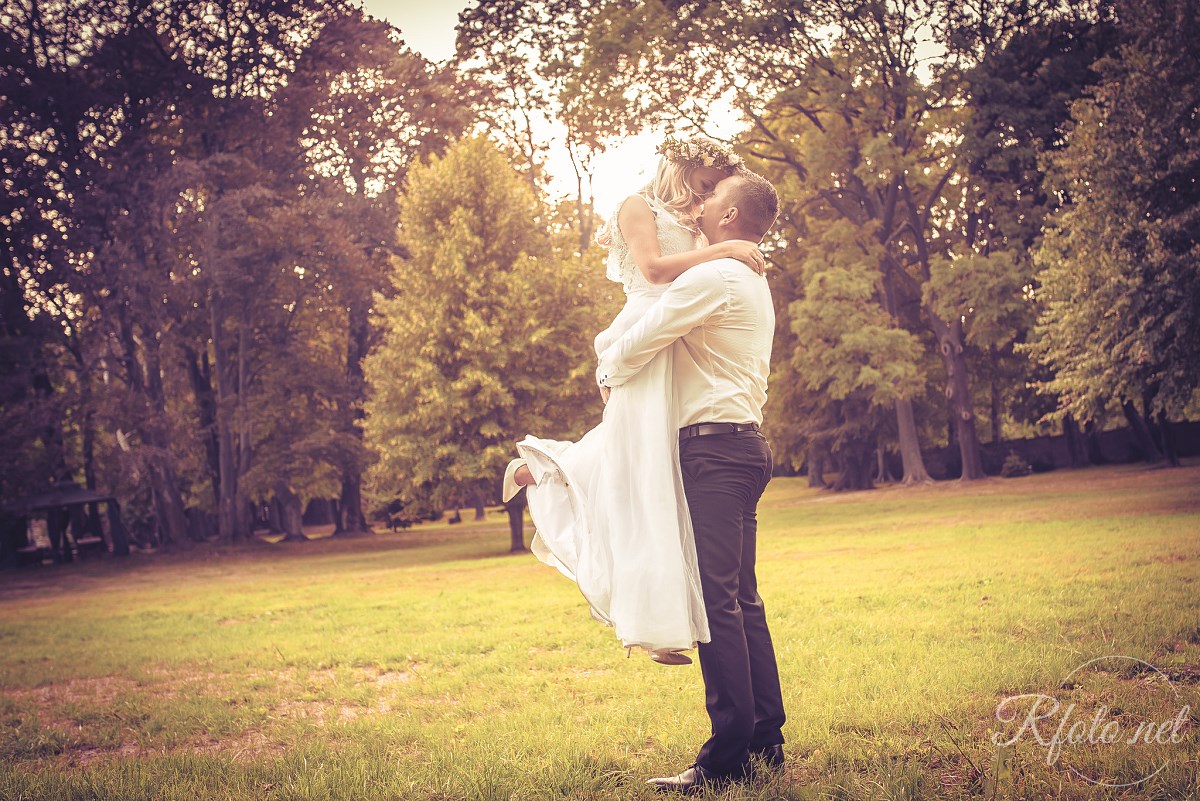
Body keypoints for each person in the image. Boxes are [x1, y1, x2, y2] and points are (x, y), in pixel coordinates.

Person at [502, 135, 766, 666]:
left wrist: (720, 249)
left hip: (680, 330)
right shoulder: (636, 205)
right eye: (706, 185)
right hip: (648, 324)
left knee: (656, 468)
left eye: (715, 192)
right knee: (639, 459)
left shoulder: (694, 222)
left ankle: (662, 617)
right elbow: (652, 272)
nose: (707, 198)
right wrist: (728, 248)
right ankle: (546, 471)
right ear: (683, 166)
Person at [594, 169, 787, 792]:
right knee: (742, 601)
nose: (699, 204)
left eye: (711, 199)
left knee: (718, 605)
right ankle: (765, 742)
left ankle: (725, 759)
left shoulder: (713, 277)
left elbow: (638, 343)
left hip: (713, 453)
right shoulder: (751, 279)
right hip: (742, 447)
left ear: (729, 218)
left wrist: (606, 360)